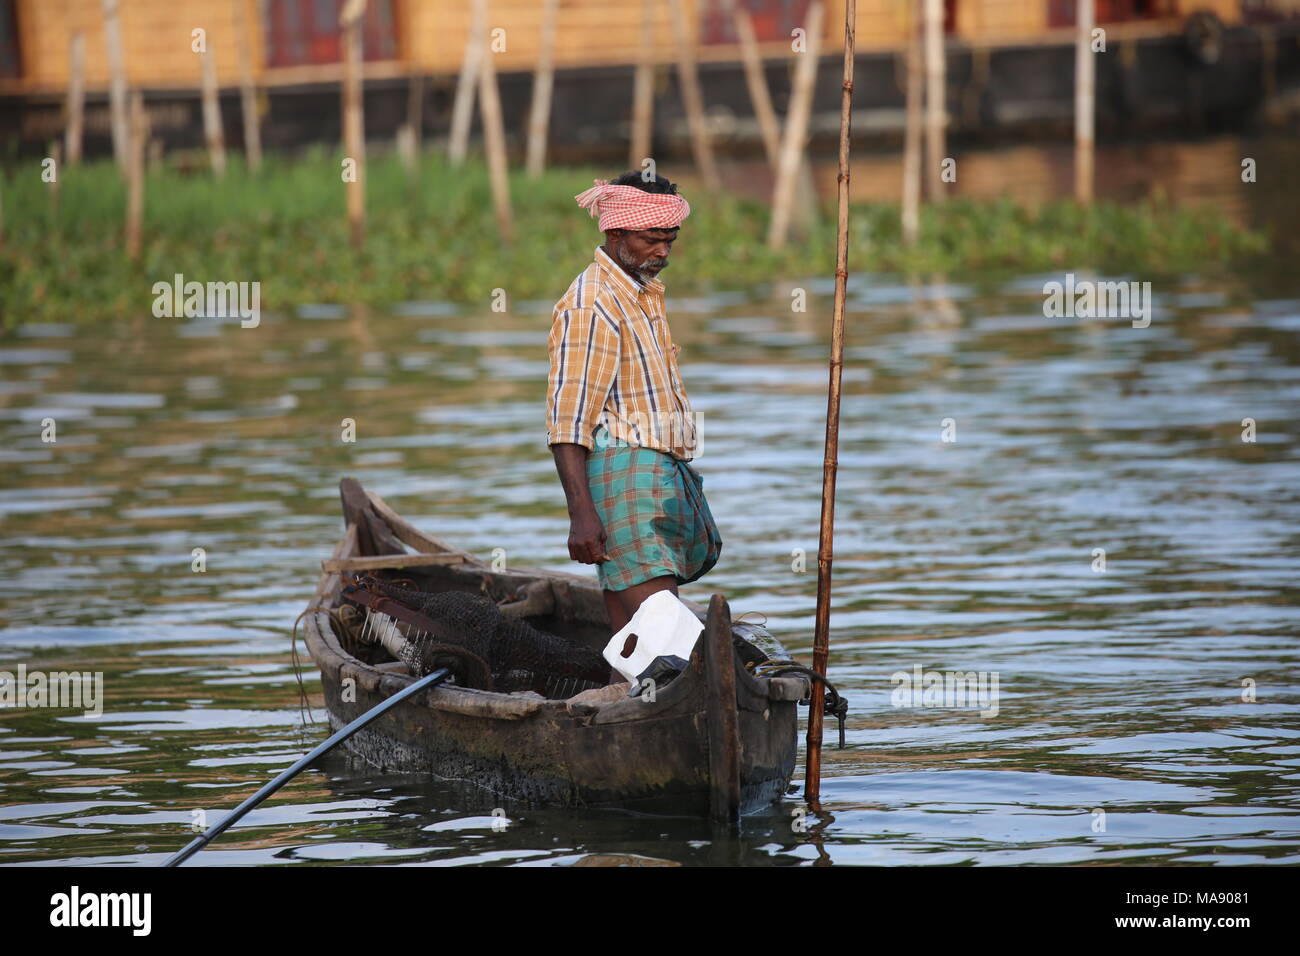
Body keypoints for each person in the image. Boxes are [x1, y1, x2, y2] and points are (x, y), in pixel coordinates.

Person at [545, 170, 722, 635]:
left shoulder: (640, 293)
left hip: (654, 474)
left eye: (670, 239)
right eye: (651, 239)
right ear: (616, 231)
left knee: (633, 640)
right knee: (666, 633)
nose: (663, 251)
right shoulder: (593, 304)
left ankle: (620, 696)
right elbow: (569, 421)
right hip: (625, 478)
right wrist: (581, 514)